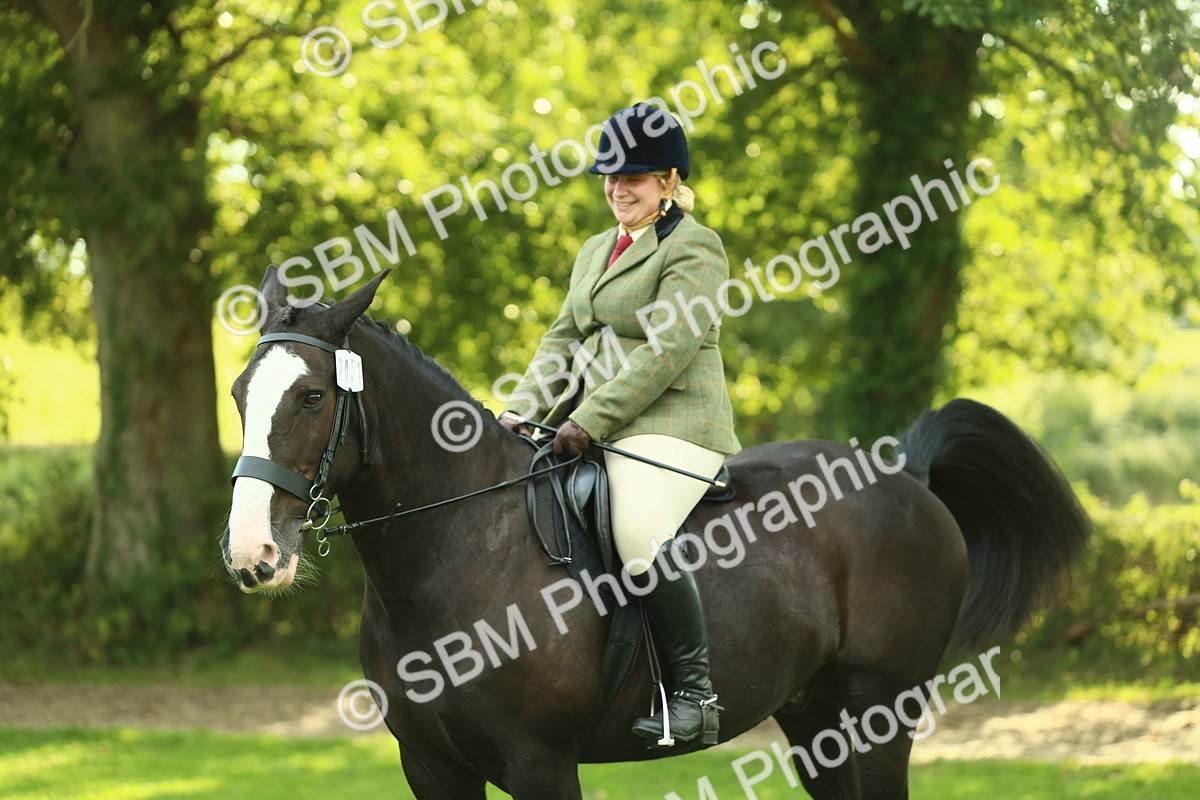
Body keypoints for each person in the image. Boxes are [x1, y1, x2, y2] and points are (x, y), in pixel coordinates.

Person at [499, 103, 740, 747]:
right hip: (598, 426)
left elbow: (666, 350)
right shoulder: (595, 250)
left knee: (638, 531)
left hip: (677, 424)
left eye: (632, 177)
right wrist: (518, 413)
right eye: (609, 175)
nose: (616, 188)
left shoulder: (695, 248)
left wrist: (586, 417)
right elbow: (561, 339)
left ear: (668, 180)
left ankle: (695, 697)